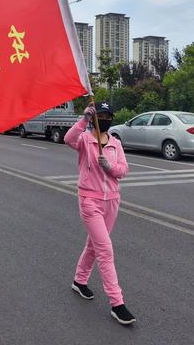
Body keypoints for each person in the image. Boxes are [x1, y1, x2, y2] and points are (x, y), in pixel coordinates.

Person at [64, 102, 136, 326]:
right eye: (101, 115)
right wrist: (84, 119)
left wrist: (110, 168)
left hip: (112, 201)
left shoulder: (115, 143)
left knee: (94, 246)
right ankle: (117, 303)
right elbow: (68, 139)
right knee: (105, 249)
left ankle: (79, 280)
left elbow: (123, 170)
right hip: (90, 201)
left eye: (108, 115)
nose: (104, 118)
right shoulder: (85, 140)